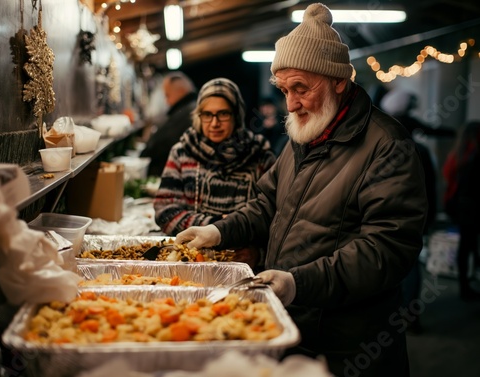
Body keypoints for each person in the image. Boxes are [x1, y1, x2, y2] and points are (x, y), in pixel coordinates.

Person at [175, 4, 427, 377]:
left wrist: (299, 283)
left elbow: (386, 250)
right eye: (284, 89)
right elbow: (266, 203)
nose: (290, 103)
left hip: (350, 344)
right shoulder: (304, 133)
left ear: (339, 81)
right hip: (293, 325)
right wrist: (219, 230)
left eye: (301, 89)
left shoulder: (387, 145)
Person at [154, 78, 276, 266]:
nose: (214, 123)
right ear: (198, 116)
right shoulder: (183, 152)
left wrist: (259, 254)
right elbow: (165, 212)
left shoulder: (259, 155)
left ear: (236, 115)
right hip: (190, 260)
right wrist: (219, 225)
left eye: (223, 114)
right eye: (207, 114)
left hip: (240, 263)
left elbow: (274, 217)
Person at [380, 88, 438, 334]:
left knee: (389, 265)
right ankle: (410, 317)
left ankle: (394, 315)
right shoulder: (420, 150)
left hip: (386, 216)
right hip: (413, 218)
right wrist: (430, 218)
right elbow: (430, 189)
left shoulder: (380, 144)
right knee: (411, 267)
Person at [443, 121, 480, 301]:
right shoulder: (475, 154)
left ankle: (464, 284)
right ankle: (467, 286)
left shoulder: (457, 154)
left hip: (459, 205)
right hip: (473, 206)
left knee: (465, 246)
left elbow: (447, 177)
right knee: (470, 245)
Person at [140, 71, 197, 177]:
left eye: (167, 95)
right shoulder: (190, 108)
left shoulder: (186, 113)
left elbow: (158, 145)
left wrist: (144, 153)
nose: (166, 102)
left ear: (180, 91)